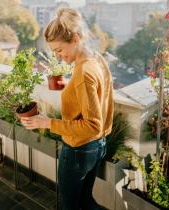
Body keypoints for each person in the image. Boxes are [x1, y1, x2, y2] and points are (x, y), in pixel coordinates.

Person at [20, 7, 114, 210]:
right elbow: (98, 95)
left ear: (76, 39)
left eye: (59, 50)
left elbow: (92, 125)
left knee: (71, 205)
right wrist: (70, 88)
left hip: (79, 149)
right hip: (97, 146)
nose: (58, 56)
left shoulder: (83, 73)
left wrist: (46, 122)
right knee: (86, 201)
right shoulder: (96, 59)